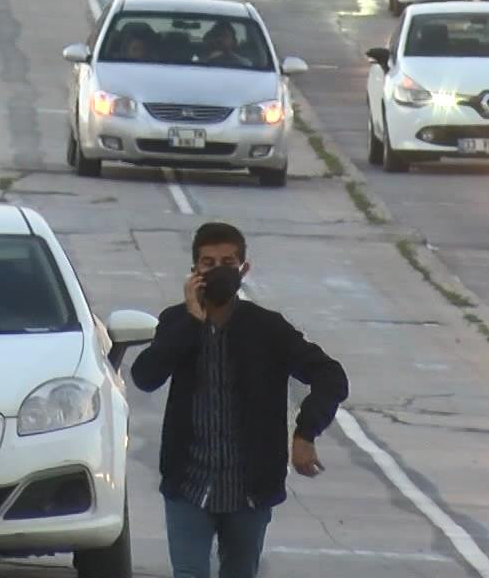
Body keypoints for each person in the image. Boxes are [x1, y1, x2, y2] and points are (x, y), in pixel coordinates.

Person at [130, 222, 349, 578]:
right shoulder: (175, 321)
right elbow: (145, 377)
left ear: (243, 269)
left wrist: (305, 433)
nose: (218, 270)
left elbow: (331, 376)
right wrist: (191, 320)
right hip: (188, 482)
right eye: (208, 263)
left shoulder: (267, 328)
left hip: (249, 488)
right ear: (194, 270)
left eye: (228, 262)